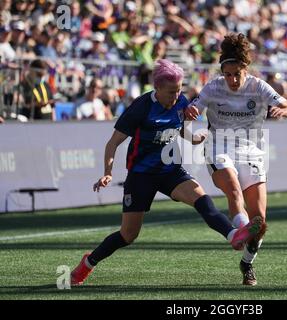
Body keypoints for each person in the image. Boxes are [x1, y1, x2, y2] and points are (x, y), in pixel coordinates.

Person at [70, 59, 265, 286]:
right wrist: (108, 171)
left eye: (179, 90)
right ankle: (87, 263)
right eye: (171, 92)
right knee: (128, 235)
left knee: (202, 199)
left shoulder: (180, 101)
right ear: (157, 88)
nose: (177, 96)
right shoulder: (140, 107)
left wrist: (193, 138)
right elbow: (112, 143)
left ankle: (234, 235)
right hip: (141, 175)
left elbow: (179, 125)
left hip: (170, 169)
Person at [185, 33, 287, 286]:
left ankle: (247, 262)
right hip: (219, 146)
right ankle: (240, 233)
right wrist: (191, 111)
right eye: (228, 74)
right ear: (222, 71)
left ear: (245, 69)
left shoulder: (258, 86)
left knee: (260, 223)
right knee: (233, 191)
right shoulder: (213, 86)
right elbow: (193, 110)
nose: (233, 79)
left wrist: (284, 110)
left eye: (237, 73)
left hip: (251, 151)